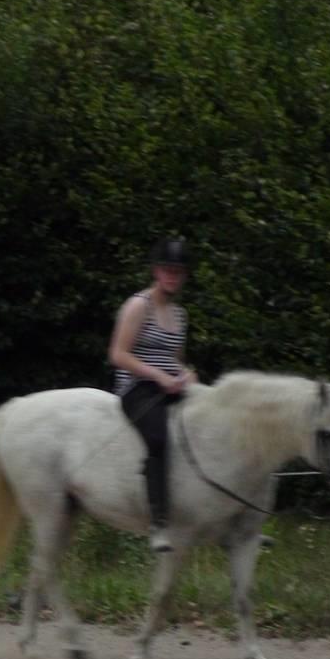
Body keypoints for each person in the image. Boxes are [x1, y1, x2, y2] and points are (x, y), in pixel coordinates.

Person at [108, 237, 197, 553]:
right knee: (159, 437)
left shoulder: (179, 315)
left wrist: (187, 374)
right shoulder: (138, 306)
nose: (172, 276)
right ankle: (158, 522)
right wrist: (159, 376)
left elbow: (175, 357)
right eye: (167, 270)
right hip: (137, 388)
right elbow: (119, 354)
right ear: (157, 272)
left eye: (178, 271)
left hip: (168, 384)